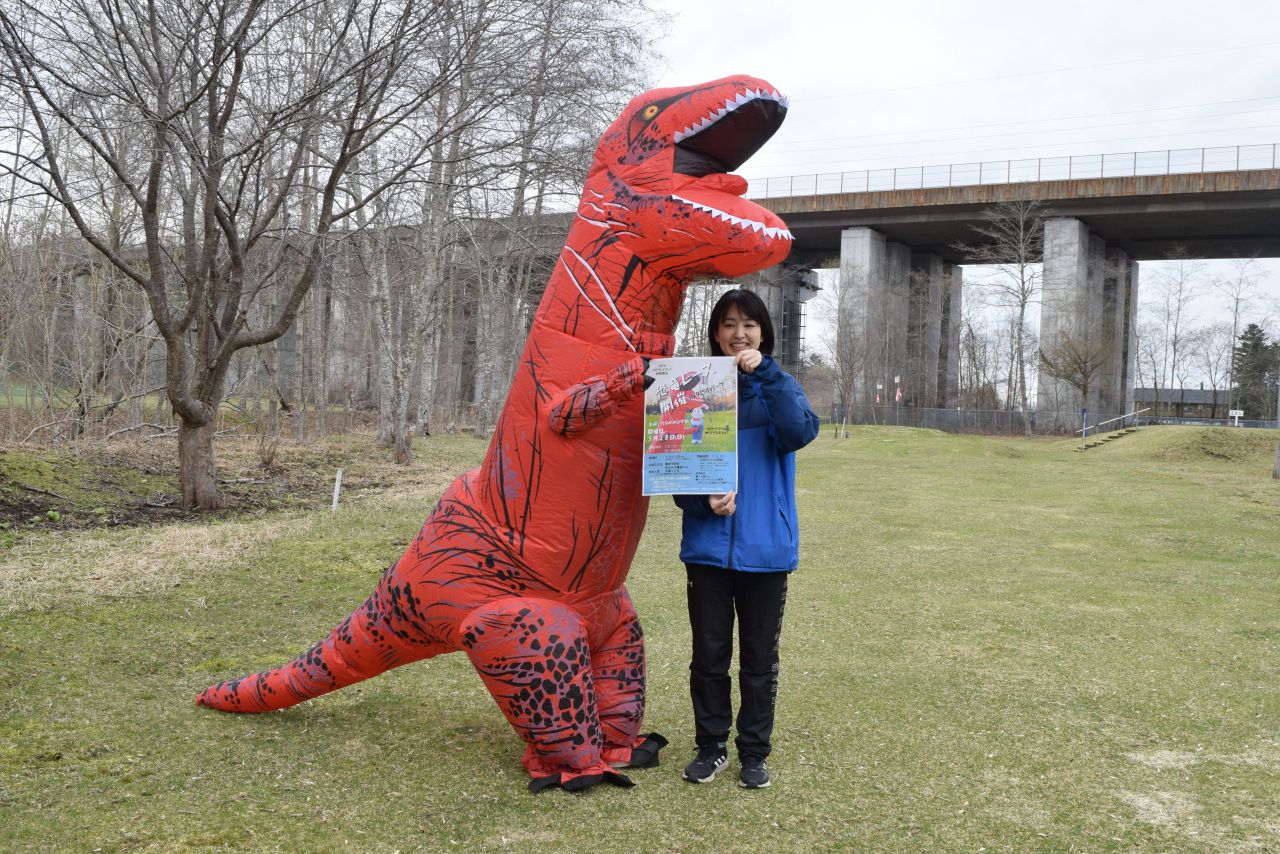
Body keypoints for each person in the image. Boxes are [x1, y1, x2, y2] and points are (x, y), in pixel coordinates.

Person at [674, 289, 819, 789]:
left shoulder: (778, 386)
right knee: (708, 656)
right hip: (707, 552)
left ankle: (754, 753)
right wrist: (703, 502)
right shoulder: (690, 389)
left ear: (763, 333)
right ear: (715, 332)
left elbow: (798, 431)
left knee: (759, 661)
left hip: (767, 551)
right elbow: (676, 469)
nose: (740, 333)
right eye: (729, 324)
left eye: (749, 324)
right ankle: (711, 747)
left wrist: (767, 374)